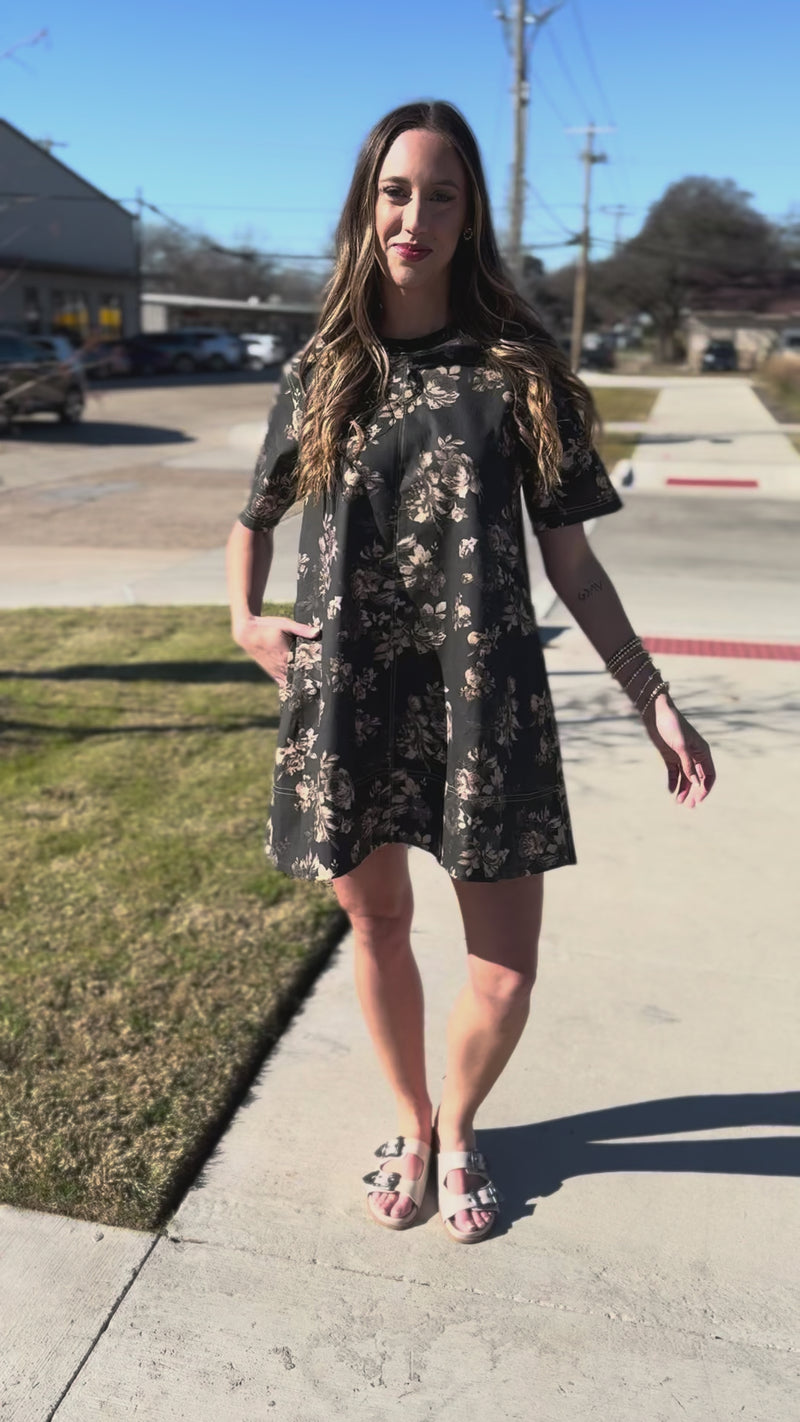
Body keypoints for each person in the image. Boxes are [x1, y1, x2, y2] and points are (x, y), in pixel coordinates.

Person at [225, 100, 716, 1244]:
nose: (414, 215)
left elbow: (576, 569)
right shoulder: (322, 370)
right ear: (365, 208)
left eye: (439, 193)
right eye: (395, 192)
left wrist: (651, 696)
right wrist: (244, 620)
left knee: (503, 970)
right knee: (378, 927)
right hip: (350, 700)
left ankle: (462, 1123)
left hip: (484, 706)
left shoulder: (520, 370)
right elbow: (253, 516)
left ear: (469, 212)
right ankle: (411, 1122)